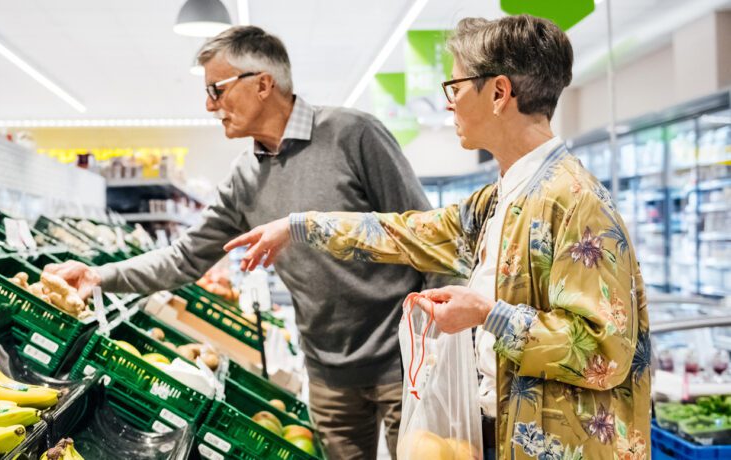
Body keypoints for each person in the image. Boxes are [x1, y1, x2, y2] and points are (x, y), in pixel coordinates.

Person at [224, 15, 651, 459]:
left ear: (499, 93)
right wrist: (298, 227)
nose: (449, 104)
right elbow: (410, 231)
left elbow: (605, 354)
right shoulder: (500, 198)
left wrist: (487, 314)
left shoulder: (574, 201)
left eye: (456, 87)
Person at [46, 25, 441, 459]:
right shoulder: (244, 178)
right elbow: (184, 258)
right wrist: (98, 275)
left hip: (404, 357)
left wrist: (441, 342)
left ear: (263, 84)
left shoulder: (353, 134)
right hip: (327, 371)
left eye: (217, 89)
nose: (209, 104)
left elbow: (427, 232)